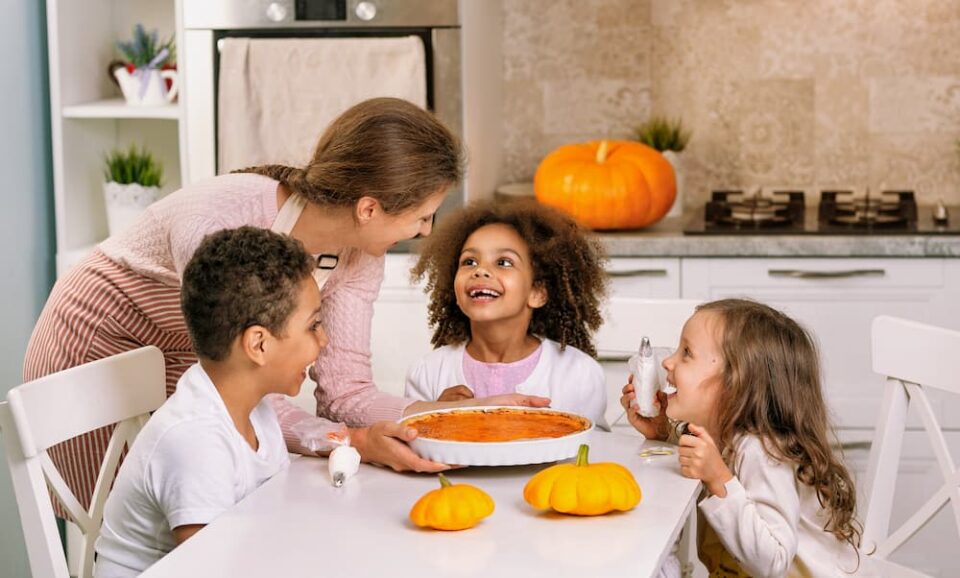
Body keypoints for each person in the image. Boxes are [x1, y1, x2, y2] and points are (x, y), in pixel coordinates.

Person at [24, 97, 546, 519]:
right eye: (422, 216)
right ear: (368, 208)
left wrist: (447, 416)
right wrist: (350, 442)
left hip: (189, 358)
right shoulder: (226, 218)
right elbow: (238, 377)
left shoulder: (361, 254)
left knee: (218, 511)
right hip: (97, 344)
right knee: (140, 524)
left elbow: (345, 391)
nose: (427, 232)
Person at [95, 227, 325, 577]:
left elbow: (272, 519)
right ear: (259, 345)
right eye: (314, 326)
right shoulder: (196, 439)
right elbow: (212, 568)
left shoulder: (253, 409)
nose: (324, 339)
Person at [620, 299, 871, 577]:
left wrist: (718, 480)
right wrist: (662, 433)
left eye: (687, 353)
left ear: (735, 383)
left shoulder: (761, 451)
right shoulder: (722, 436)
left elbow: (773, 563)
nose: (668, 362)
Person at [405, 199, 610, 429]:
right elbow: (413, 444)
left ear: (537, 292)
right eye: (469, 261)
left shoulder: (579, 373)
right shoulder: (428, 372)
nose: (480, 270)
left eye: (503, 262)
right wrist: (436, 415)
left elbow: (595, 450)